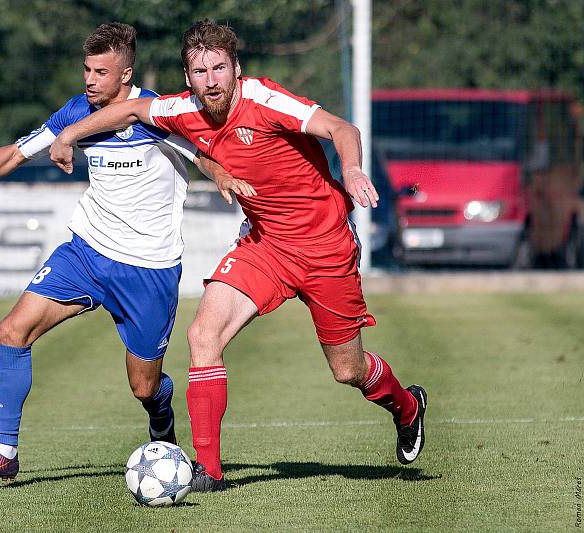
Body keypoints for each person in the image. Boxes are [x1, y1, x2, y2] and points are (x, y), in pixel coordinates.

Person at [50, 19, 427, 492]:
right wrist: (68, 136)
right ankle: (209, 470)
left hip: (325, 246)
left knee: (347, 370)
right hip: (265, 245)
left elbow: (341, 128)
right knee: (202, 334)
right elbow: (128, 112)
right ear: (188, 78)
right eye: (200, 70)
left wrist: (350, 171)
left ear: (236, 70)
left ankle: (406, 406)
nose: (210, 80)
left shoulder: (264, 100)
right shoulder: (182, 108)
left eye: (218, 68)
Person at [0, 22, 252, 483]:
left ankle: (161, 414)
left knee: (143, 385)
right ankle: (4, 450)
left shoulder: (157, 112)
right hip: (86, 252)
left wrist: (220, 176)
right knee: (12, 330)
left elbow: (203, 153)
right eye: (86, 69)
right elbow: (18, 153)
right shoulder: (76, 113)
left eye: (101, 71)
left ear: (126, 75)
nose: (90, 79)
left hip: (148, 270)